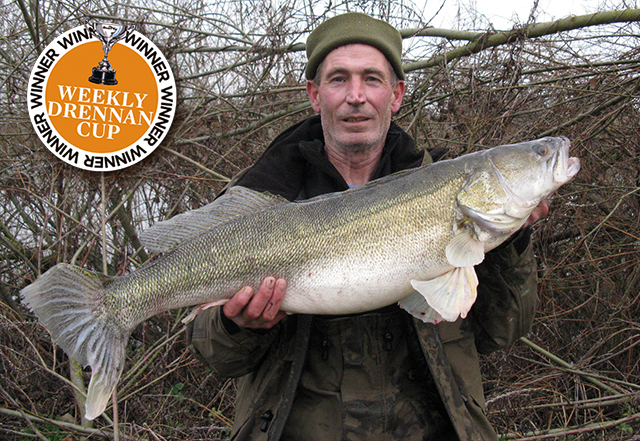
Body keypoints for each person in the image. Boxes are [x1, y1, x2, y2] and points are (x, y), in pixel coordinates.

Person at [187, 12, 547, 441]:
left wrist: (511, 240)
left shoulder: (452, 194)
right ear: (314, 94)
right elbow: (217, 358)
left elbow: (501, 334)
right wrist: (236, 325)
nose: (355, 96)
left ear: (395, 95)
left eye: (372, 79)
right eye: (338, 79)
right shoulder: (261, 198)